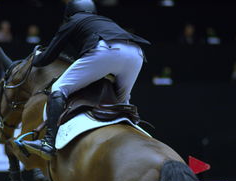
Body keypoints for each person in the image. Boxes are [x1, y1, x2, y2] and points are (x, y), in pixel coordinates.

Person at [22, 0, 150, 160]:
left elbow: (49, 55)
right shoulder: (104, 20)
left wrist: (34, 60)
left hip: (107, 50)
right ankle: (137, 137)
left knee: (59, 88)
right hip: (136, 53)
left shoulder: (73, 21)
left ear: (69, 13)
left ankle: (48, 143)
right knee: (123, 102)